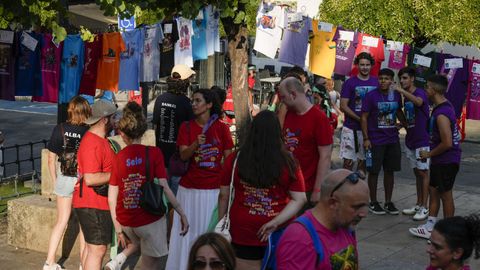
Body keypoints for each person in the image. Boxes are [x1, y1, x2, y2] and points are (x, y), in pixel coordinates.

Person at [218, 110, 307, 269]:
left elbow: (224, 195)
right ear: (277, 132)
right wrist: (275, 222)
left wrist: (222, 221)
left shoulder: (236, 158)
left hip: (241, 230)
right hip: (279, 232)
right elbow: (300, 199)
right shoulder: (288, 162)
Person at [107, 102, 189, 270]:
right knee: (151, 264)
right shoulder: (154, 153)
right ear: (143, 130)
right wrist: (181, 213)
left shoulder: (119, 157)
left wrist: (118, 230)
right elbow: (165, 187)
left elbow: (111, 197)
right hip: (149, 218)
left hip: (126, 221)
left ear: (123, 135)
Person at [166, 89, 234, 270]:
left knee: (208, 236)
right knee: (185, 234)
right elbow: (183, 156)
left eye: (197, 100)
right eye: (192, 101)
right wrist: (196, 143)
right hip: (189, 192)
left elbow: (229, 161)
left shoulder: (222, 128)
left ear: (209, 104)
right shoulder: (186, 127)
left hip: (213, 192)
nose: (193, 104)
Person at [276, 169, 369, 269]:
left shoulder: (346, 225)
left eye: (365, 206)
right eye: (356, 207)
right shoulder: (300, 239)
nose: (364, 214)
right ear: (333, 203)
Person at [410, 75, 462, 239]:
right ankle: (430, 226)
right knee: (433, 190)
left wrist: (429, 154)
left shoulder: (442, 114)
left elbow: (447, 143)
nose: (425, 90)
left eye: (426, 87)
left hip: (447, 160)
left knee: (446, 195)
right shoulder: (443, 106)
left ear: (432, 90)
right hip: (441, 160)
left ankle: (449, 233)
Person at [43, 96, 90, 270]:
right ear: (85, 112)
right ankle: (84, 264)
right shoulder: (88, 131)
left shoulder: (59, 128)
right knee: (84, 225)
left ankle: (49, 262)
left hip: (64, 178)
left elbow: (50, 159)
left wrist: (56, 182)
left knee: (61, 221)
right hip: (82, 181)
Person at [72, 100, 117, 270]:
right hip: (93, 204)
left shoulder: (100, 139)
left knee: (92, 248)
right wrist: (117, 175)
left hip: (94, 203)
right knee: (98, 249)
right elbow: (90, 178)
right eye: (113, 117)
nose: (116, 121)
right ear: (104, 119)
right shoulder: (92, 143)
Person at [277, 77, 333, 207]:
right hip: (287, 185)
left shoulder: (319, 118)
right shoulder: (288, 113)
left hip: (306, 187)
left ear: (293, 95)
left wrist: (318, 190)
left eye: (283, 97)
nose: (282, 100)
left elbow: (325, 156)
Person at [361, 68, 406, 215]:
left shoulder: (396, 95)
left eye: (386, 79)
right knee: (373, 172)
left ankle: (388, 201)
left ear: (392, 81)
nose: (383, 81)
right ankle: (373, 202)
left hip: (392, 139)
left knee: (390, 171)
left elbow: (399, 111)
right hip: (375, 140)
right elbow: (364, 117)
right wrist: (366, 138)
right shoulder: (370, 96)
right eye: (380, 78)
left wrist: (405, 125)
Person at [152, 64, 195, 195]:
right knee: (177, 200)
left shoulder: (160, 100)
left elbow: (155, 126)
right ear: (185, 82)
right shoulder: (187, 103)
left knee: (163, 198)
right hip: (178, 160)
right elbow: (191, 130)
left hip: (161, 156)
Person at [395, 67, 430, 221]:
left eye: (405, 78)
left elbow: (419, 102)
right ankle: (418, 203)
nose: (402, 81)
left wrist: (401, 91)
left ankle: (425, 207)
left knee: (423, 173)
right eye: (401, 78)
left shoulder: (418, 93)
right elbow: (412, 116)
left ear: (412, 79)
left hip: (422, 139)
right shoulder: (406, 97)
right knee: (417, 173)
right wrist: (402, 125)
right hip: (411, 139)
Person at [340, 52, 379, 174]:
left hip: (368, 130)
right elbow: (343, 106)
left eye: (367, 65)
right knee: (348, 164)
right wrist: (360, 119)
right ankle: (344, 191)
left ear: (371, 66)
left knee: (363, 165)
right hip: (350, 128)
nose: (365, 67)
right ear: (357, 65)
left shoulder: (376, 82)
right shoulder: (349, 83)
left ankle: (358, 191)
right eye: (362, 64)